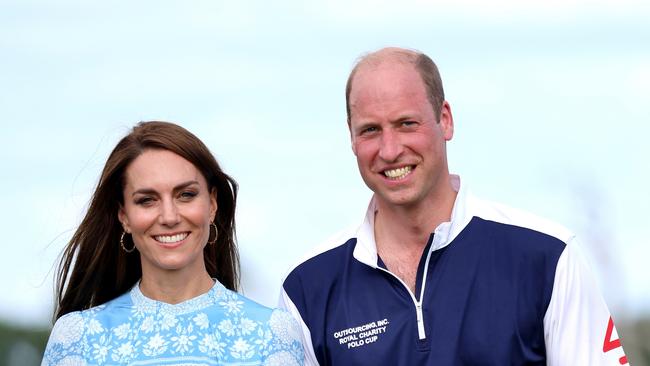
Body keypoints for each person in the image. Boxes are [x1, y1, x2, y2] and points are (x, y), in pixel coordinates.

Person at [279, 48, 627, 365]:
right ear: (351, 138)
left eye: (406, 124)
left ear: (444, 119)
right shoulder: (306, 288)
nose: (389, 150)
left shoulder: (548, 257)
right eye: (370, 130)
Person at [42, 121, 303, 365]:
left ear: (212, 204)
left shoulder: (271, 332)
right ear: (124, 216)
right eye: (147, 200)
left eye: (186, 195)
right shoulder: (77, 339)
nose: (169, 217)